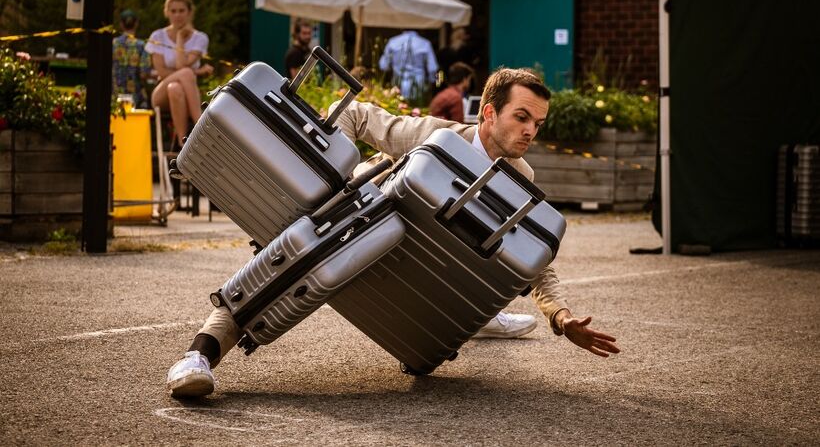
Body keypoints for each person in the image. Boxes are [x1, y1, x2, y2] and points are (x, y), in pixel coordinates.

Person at [165, 67, 620, 398]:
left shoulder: (521, 174)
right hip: (361, 231)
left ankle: (481, 316)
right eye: (522, 117)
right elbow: (359, 116)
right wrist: (331, 186)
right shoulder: (435, 136)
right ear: (488, 112)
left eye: (537, 124)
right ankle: (198, 357)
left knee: (476, 276)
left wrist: (560, 317)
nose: (530, 131)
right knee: (294, 264)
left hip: (419, 267)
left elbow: (539, 259)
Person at [146, 0, 214, 150]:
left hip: (182, 93)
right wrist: (194, 72)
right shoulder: (157, 35)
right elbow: (162, 72)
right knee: (186, 73)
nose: (177, 15)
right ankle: (200, 123)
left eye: (181, 11)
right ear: (167, 12)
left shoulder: (200, 38)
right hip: (160, 95)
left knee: (175, 88)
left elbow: (179, 64)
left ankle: (182, 142)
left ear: (190, 12)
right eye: (173, 11)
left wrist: (180, 38)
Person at [378, 30, 438, 103]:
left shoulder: (393, 41)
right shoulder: (425, 43)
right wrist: (431, 83)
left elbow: (383, 66)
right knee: (417, 112)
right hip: (418, 87)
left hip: (397, 86)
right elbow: (432, 68)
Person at [111, 9, 152, 109]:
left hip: (114, 95)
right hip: (136, 98)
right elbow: (144, 74)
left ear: (121, 24)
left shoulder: (112, 44)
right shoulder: (141, 45)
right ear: (136, 23)